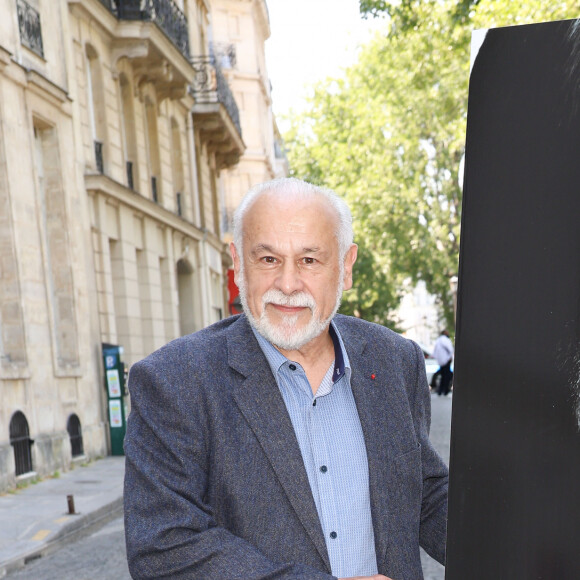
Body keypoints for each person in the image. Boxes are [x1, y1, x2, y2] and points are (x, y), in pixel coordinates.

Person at [124, 177, 448, 580]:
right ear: (239, 264)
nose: (288, 284)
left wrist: (522, 542)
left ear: (345, 267)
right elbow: (164, 547)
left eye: (310, 260)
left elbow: (425, 495)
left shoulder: (396, 360)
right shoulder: (173, 381)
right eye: (268, 260)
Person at [432, 330, 454, 396]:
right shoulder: (446, 340)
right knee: (446, 376)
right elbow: (450, 349)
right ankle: (445, 390)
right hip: (446, 360)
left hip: (441, 361)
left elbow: (435, 352)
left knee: (442, 376)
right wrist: (449, 357)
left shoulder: (438, 340)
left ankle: (440, 390)